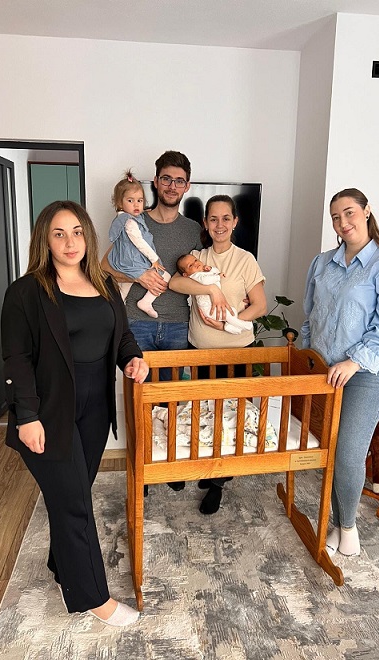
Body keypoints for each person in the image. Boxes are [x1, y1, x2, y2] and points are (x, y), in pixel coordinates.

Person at [1, 200, 149, 626]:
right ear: (45, 241)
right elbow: (16, 359)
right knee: (75, 505)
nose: (70, 242)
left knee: (74, 494)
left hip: (95, 408)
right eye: (59, 234)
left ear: (88, 235)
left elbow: (122, 336)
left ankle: (62, 566)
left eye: (77, 232)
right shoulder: (27, 291)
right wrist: (27, 416)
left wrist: (133, 358)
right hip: (48, 411)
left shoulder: (104, 283)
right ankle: (93, 597)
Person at [302, 188, 379, 557]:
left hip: (365, 374)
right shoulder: (322, 263)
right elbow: (311, 317)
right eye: (335, 217)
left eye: (349, 212)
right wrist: (308, 357)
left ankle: (347, 528)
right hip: (324, 373)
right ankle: (336, 522)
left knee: (349, 452)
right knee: (330, 451)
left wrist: (353, 362)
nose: (342, 222)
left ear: (366, 212)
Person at [102, 151, 203, 492]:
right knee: (139, 399)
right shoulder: (133, 217)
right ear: (156, 182)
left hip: (177, 324)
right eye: (166, 179)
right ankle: (143, 467)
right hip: (136, 323)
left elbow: (199, 272)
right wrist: (139, 276)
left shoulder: (193, 230)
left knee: (172, 400)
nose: (172, 186)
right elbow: (104, 267)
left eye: (179, 180)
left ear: (187, 186)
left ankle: (170, 463)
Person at [170, 195, 267, 513]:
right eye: (213, 218)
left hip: (236, 352)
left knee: (231, 418)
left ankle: (218, 483)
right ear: (205, 223)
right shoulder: (196, 257)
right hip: (200, 352)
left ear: (235, 222)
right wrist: (211, 289)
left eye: (226, 218)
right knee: (204, 415)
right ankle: (204, 466)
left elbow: (260, 306)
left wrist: (230, 321)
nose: (219, 224)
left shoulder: (245, 260)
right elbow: (175, 284)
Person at [108, 169, 171, 318]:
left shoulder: (123, 218)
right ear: (120, 203)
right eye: (130, 201)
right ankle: (146, 302)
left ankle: (115, 309)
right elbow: (140, 242)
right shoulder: (130, 222)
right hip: (134, 260)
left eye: (140, 201)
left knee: (124, 288)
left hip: (124, 260)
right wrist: (154, 259)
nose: (136, 205)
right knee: (165, 276)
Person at [176, 254, 253, 335]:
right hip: (208, 308)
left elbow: (216, 272)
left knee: (232, 311)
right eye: (190, 265)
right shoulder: (195, 276)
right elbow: (205, 281)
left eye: (195, 260)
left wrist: (211, 269)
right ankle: (244, 326)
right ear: (186, 274)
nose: (195, 264)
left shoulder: (204, 272)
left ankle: (231, 328)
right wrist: (218, 277)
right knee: (228, 315)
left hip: (213, 306)